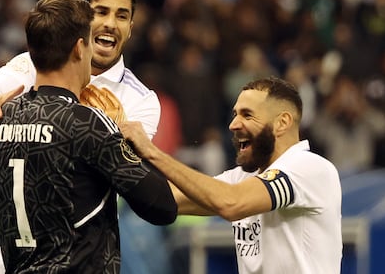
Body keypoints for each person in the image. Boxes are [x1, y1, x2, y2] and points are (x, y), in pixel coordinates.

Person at [0, 0, 164, 274]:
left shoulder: (141, 100)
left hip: (76, 254)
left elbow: (130, 176)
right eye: (101, 12)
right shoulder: (35, 63)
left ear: (131, 27)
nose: (111, 24)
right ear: (82, 20)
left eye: (122, 16)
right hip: (6, 260)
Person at [119, 77, 343, 274]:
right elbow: (162, 199)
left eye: (247, 115)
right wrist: (110, 156)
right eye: (235, 114)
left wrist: (151, 152)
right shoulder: (243, 178)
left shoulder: (309, 169)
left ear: (281, 122)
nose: (233, 124)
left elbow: (231, 202)